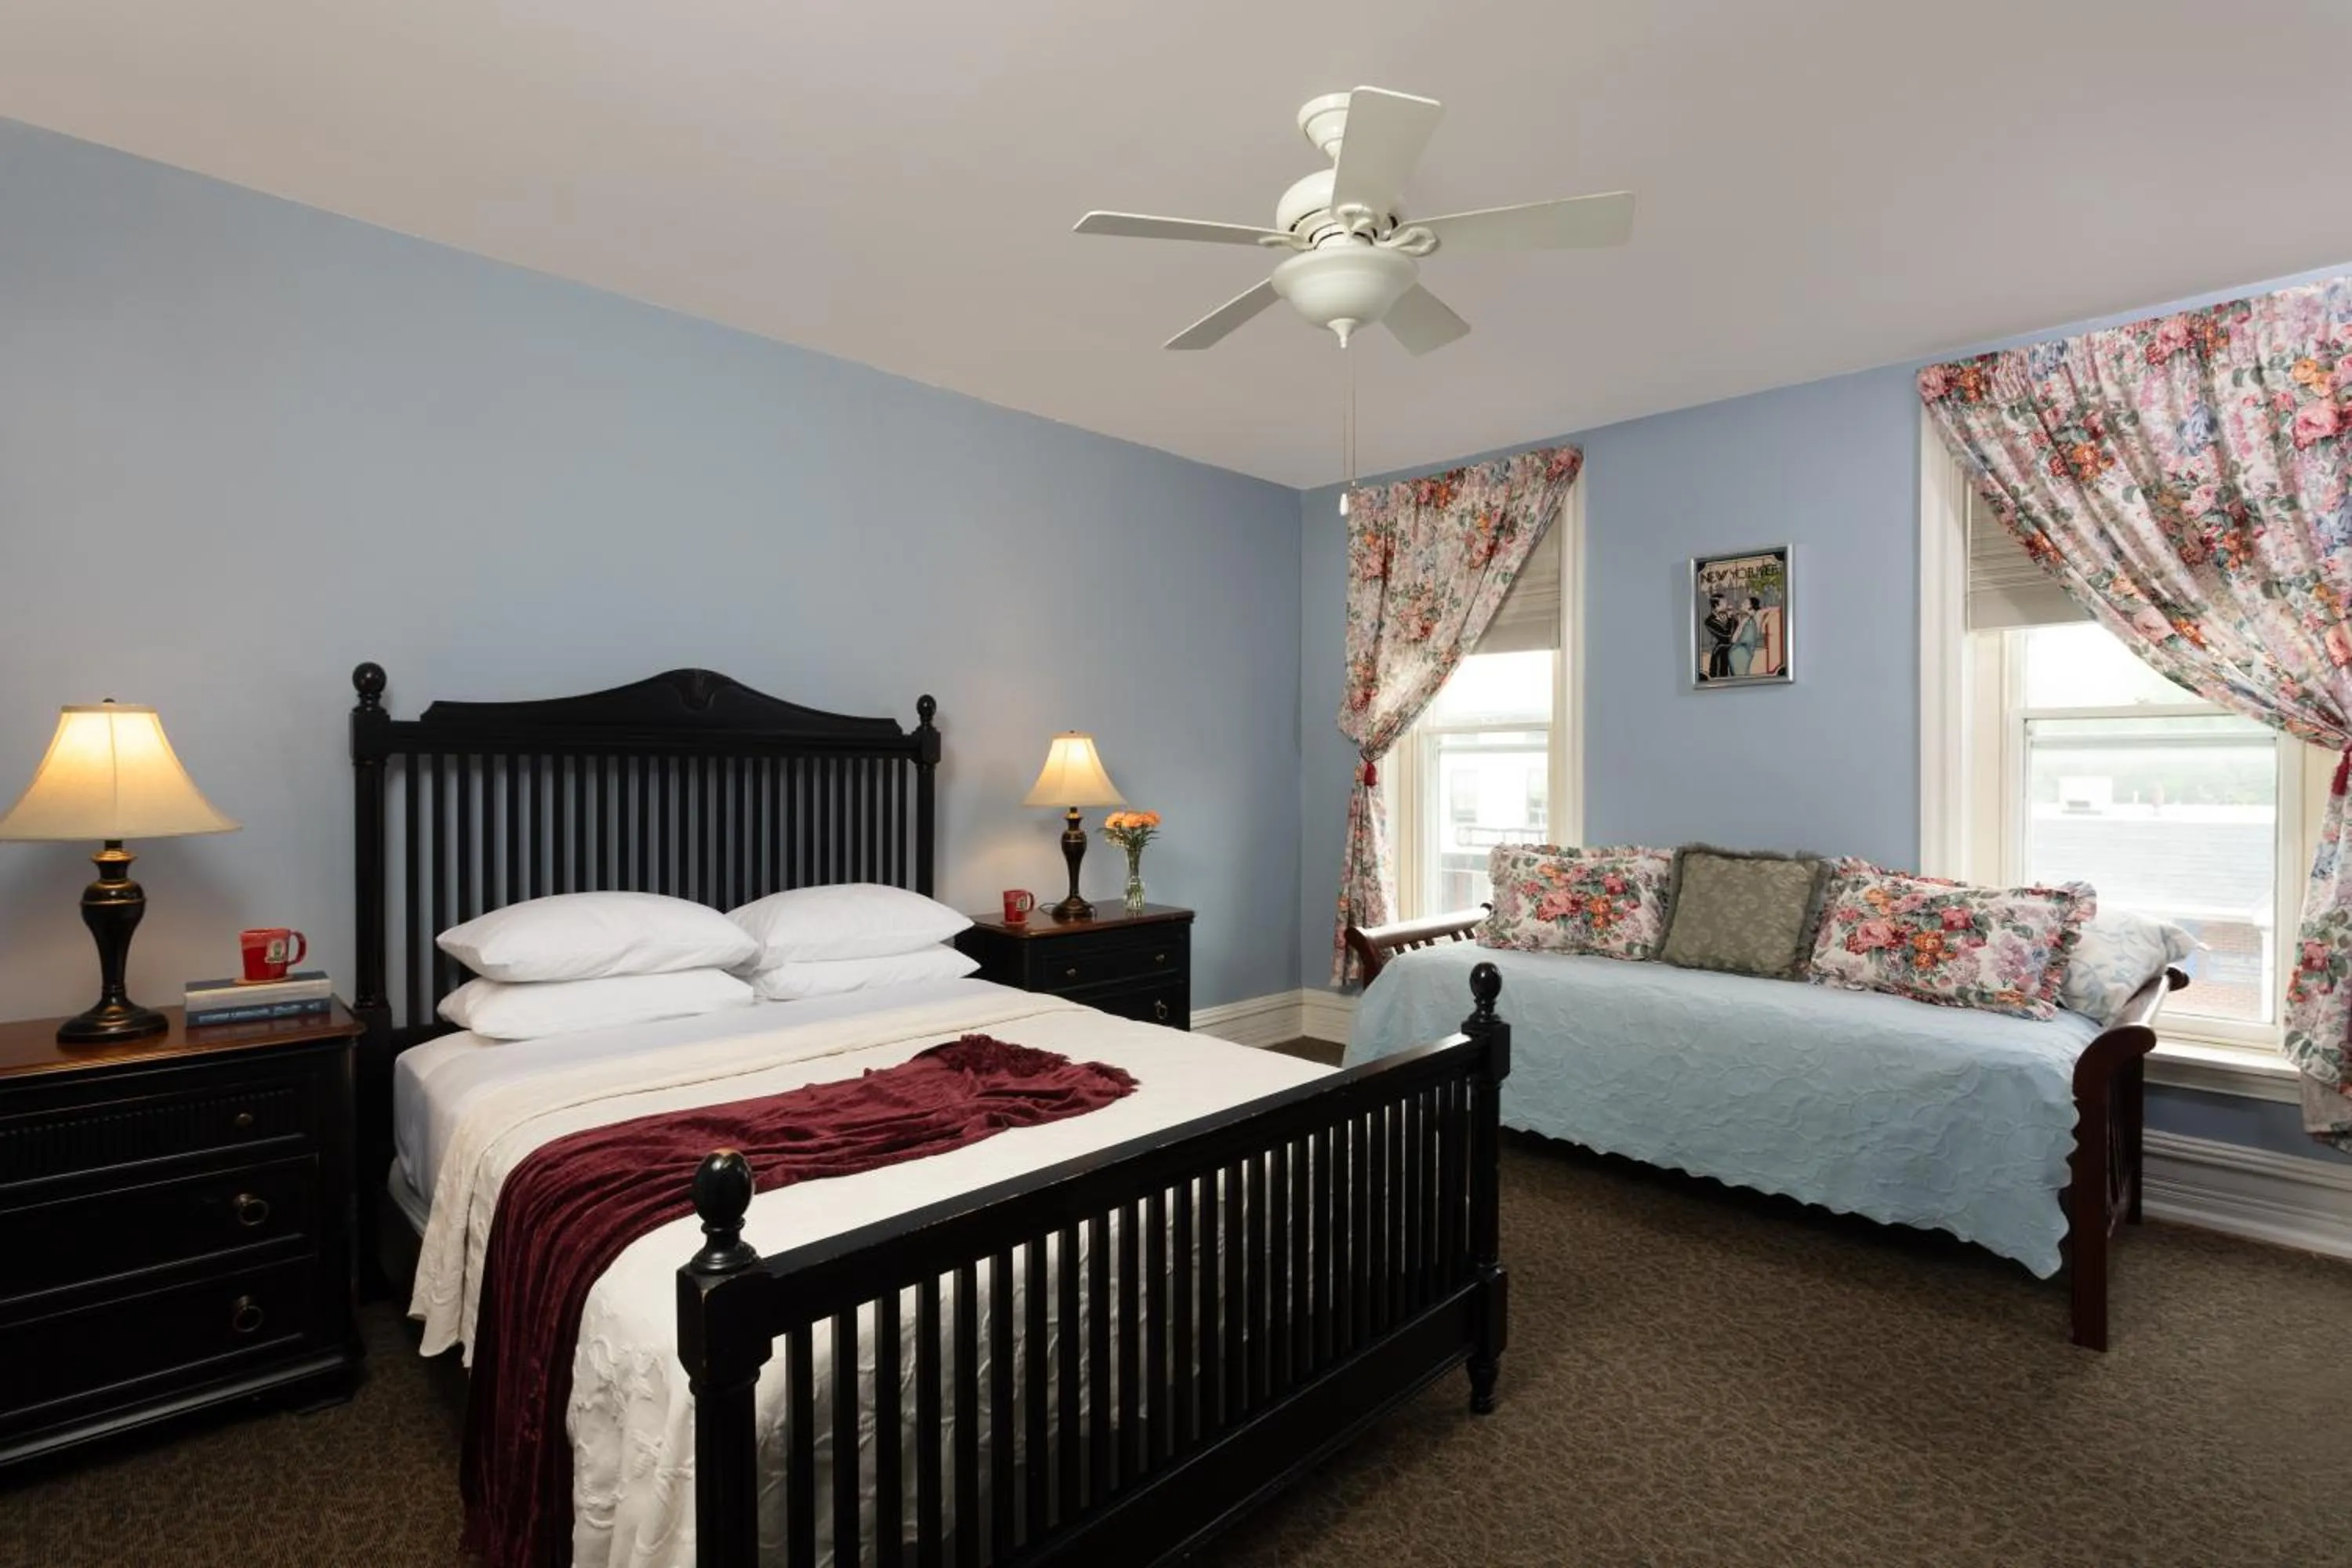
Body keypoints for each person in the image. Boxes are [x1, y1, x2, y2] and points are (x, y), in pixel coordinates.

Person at [1701, 595, 1739, 681]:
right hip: (1720, 653)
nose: (1727, 604)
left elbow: (1736, 630)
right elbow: (1726, 637)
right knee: (1720, 677)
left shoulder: (1730, 617)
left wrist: (1731, 618)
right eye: (1724, 602)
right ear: (1716, 605)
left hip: (1732, 652)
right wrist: (1730, 619)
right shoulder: (1709, 621)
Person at [1730, 594, 1765, 677]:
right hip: (1741, 652)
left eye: (1745, 603)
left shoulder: (1754, 617)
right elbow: (1734, 638)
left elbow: (1734, 639)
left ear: (1751, 606)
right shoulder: (1747, 619)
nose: (1742, 604)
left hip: (1742, 652)